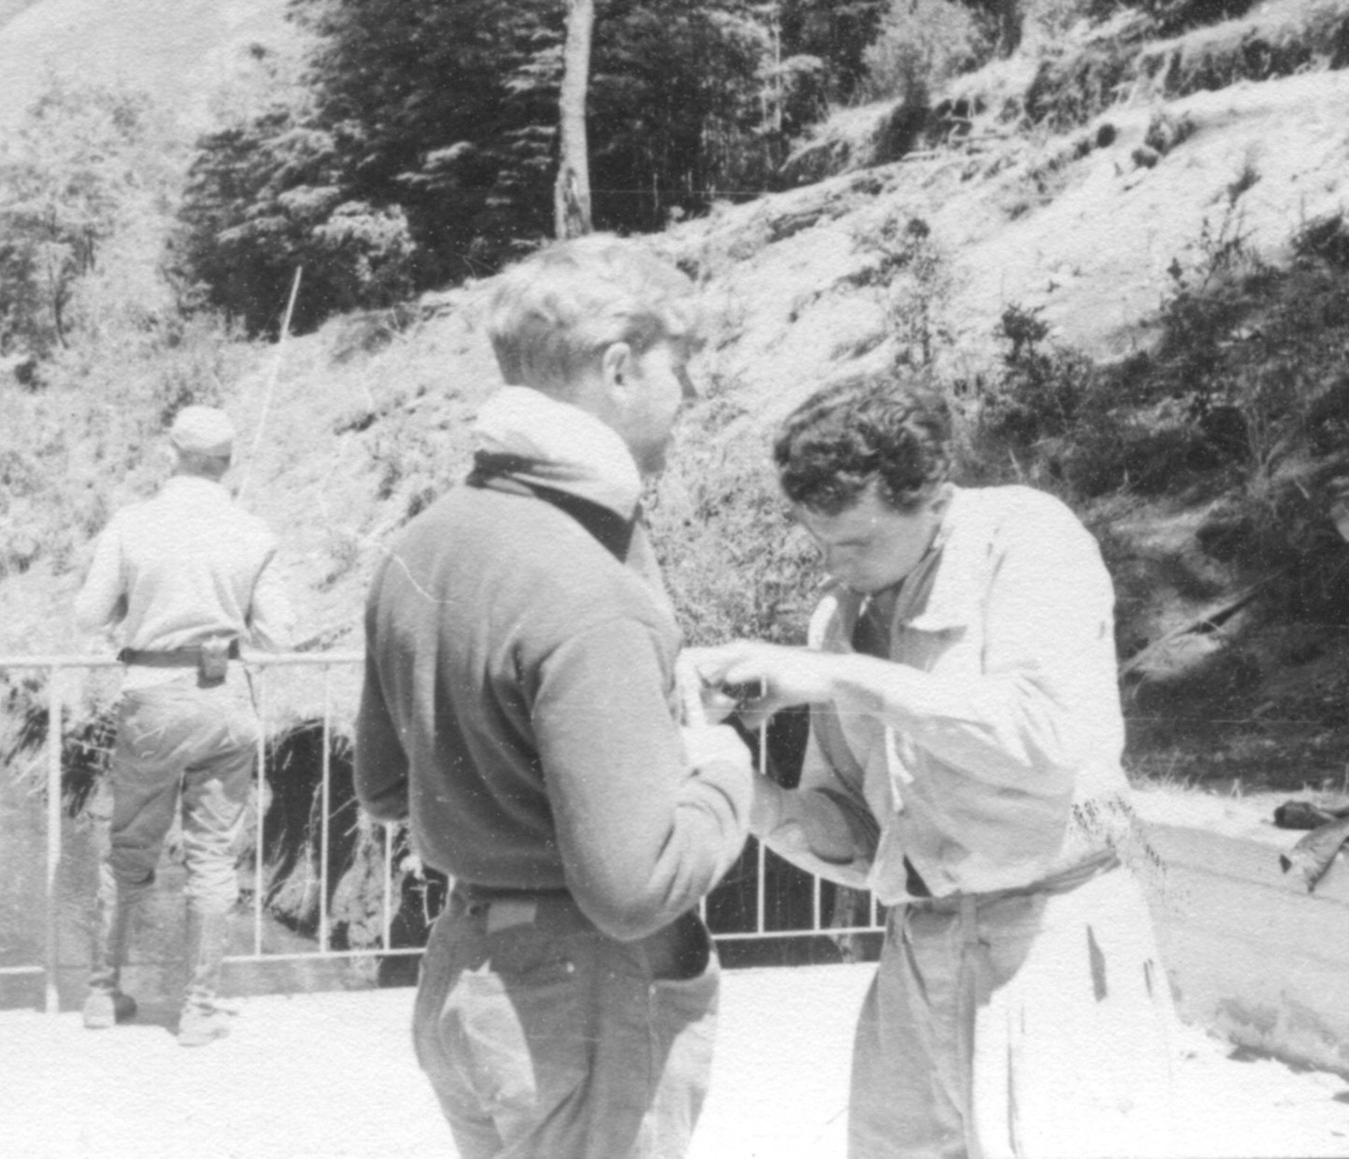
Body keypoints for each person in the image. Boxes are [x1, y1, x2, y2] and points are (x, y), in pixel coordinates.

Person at [684, 379, 1179, 1159]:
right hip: (918, 955)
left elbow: (1043, 737)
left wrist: (839, 677)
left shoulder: (1028, 538)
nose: (836, 566)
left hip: (1050, 947)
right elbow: (859, 835)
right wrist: (733, 782)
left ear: (934, 497)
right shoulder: (840, 616)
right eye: (821, 543)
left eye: (857, 542)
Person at [354, 235, 755, 1158]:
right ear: (618, 369)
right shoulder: (590, 587)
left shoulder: (423, 542)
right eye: (679, 366)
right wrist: (720, 767)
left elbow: (383, 786)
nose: (692, 393)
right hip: (579, 1002)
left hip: (467, 974)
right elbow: (633, 889)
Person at [73, 404, 293, 1047]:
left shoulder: (132, 523)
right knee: (213, 857)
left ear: (171, 453)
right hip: (224, 700)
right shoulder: (253, 532)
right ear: (227, 463)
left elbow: (88, 616)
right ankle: (198, 1010)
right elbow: (279, 634)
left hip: (151, 697)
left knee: (129, 847)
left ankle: (101, 993)